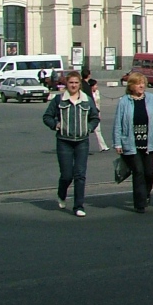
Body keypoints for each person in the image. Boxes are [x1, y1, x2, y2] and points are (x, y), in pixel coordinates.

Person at [42, 70, 100, 217]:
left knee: (80, 174)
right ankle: (62, 194)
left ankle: (78, 206)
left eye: (76, 83)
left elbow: (95, 117)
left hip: (82, 141)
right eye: (71, 83)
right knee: (67, 175)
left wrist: (89, 127)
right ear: (66, 84)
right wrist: (55, 125)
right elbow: (47, 117)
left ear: (80, 84)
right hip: (64, 141)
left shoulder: (86, 99)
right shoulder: (59, 99)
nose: (73, 85)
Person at [113, 72, 153, 214]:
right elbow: (118, 124)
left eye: (143, 83)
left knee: (149, 173)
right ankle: (139, 203)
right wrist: (118, 143)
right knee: (138, 172)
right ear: (131, 86)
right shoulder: (124, 101)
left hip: (148, 142)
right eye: (138, 83)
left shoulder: (151, 99)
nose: (141, 86)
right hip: (131, 143)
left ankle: (146, 194)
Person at [81, 70, 110, 152]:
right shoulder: (87, 89)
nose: (97, 86)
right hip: (92, 111)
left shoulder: (95, 91)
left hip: (95, 111)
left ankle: (102, 146)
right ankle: (102, 146)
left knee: (96, 130)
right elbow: (91, 101)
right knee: (95, 129)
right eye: (95, 85)